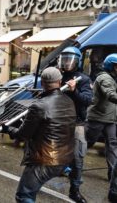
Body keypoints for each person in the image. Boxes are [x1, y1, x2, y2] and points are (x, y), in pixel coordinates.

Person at [1, 67, 76, 203]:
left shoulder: (38, 106)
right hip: (66, 158)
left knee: (24, 195)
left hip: (45, 160)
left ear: (42, 84)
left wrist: (7, 129)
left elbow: (23, 135)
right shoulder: (69, 102)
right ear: (60, 82)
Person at [58, 47, 92, 203]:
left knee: (77, 158)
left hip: (77, 122)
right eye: (64, 59)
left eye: (69, 59)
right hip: (59, 121)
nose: (66, 63)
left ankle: (75, 190)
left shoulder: (83, 79)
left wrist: (74, 90)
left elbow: (87, 100)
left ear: (77, 61)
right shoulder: (58, 77)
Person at [86, 53, 117, 184]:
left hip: (110, 119)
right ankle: (67, 166)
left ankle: (113, 174)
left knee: (112, 145)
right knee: (87, 143)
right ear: (111, 66)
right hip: (97, 118)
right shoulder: (105, 78)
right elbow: (111, 94)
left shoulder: (114, 77)